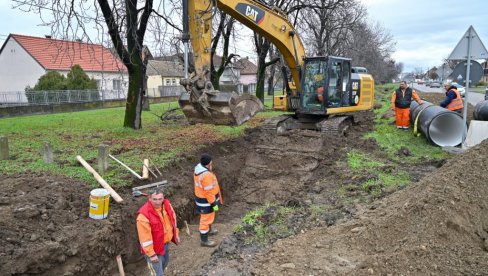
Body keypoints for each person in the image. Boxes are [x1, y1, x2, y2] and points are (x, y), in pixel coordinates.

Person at [136, 188, 180, 276]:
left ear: (163, 198)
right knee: (157, 274)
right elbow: (145, 238)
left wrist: (176, 235)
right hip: (154, 250)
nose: (158, 202)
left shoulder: (167, 206)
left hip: (165, 246)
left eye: (160, 199)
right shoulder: (143, 215)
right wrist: (151, 255)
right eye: (155, 199)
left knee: (163, 267)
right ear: (149, 199)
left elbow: (173, 221)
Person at [194, 153, 222, 247]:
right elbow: (209, 192)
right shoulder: (206, 176)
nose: (212, 164)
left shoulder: (199, 170)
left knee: (209, 217)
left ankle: (209, 230)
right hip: (207, 202)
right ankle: (204, 240)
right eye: (211, 163)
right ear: (208, 164)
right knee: (205, 220)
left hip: (203, 200)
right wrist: (214, 204)